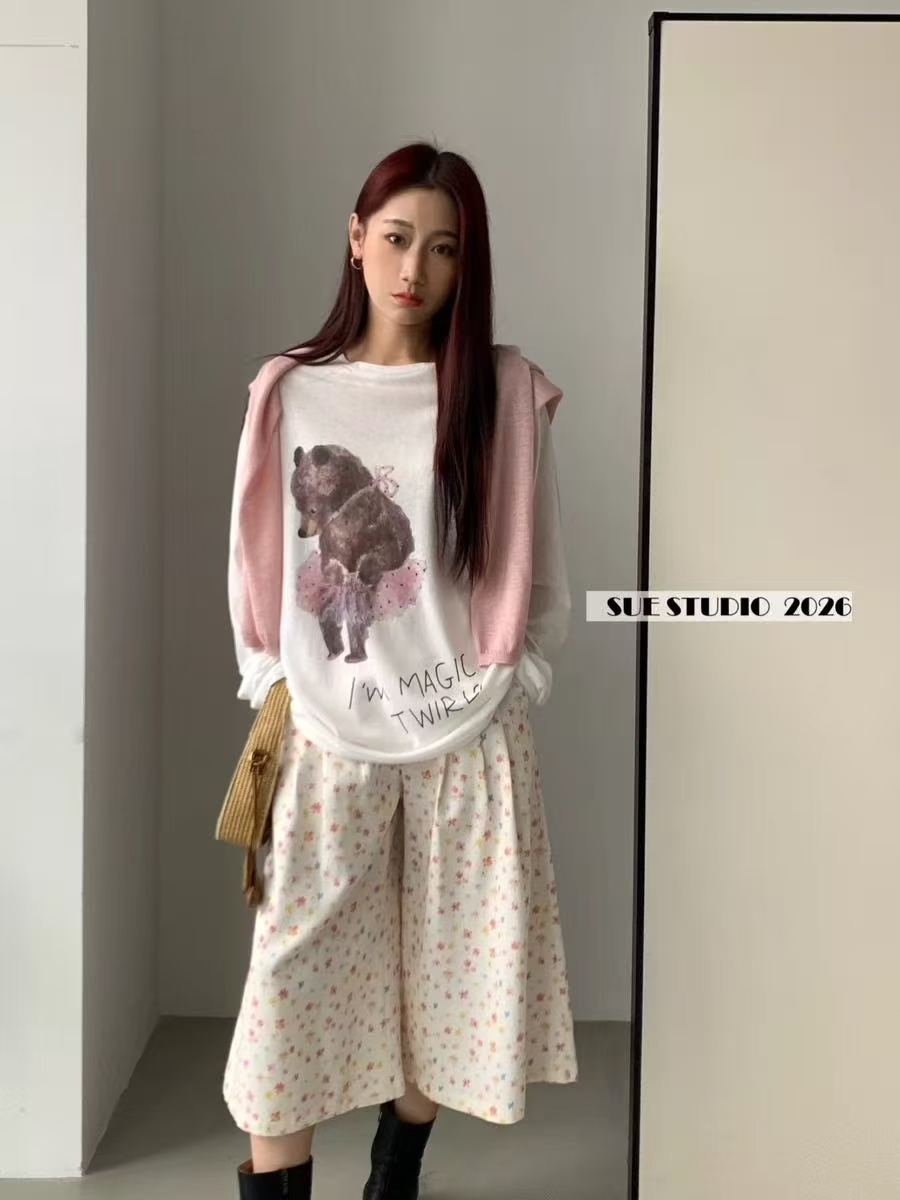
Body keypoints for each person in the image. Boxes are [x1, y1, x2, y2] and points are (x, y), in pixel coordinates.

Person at [223, 140, 578, 1200]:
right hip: (329, 730)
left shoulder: (501, 392)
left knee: (447, 973)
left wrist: (518, 674)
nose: (414, 267)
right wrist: (268, 676)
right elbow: (253, 553)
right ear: (355, 238)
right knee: (288, 987)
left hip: (467, 729)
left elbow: (541, 560)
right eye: (395, 237)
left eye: (444, 248)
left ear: (468, 264)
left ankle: (395, 1179)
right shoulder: (292, 392)